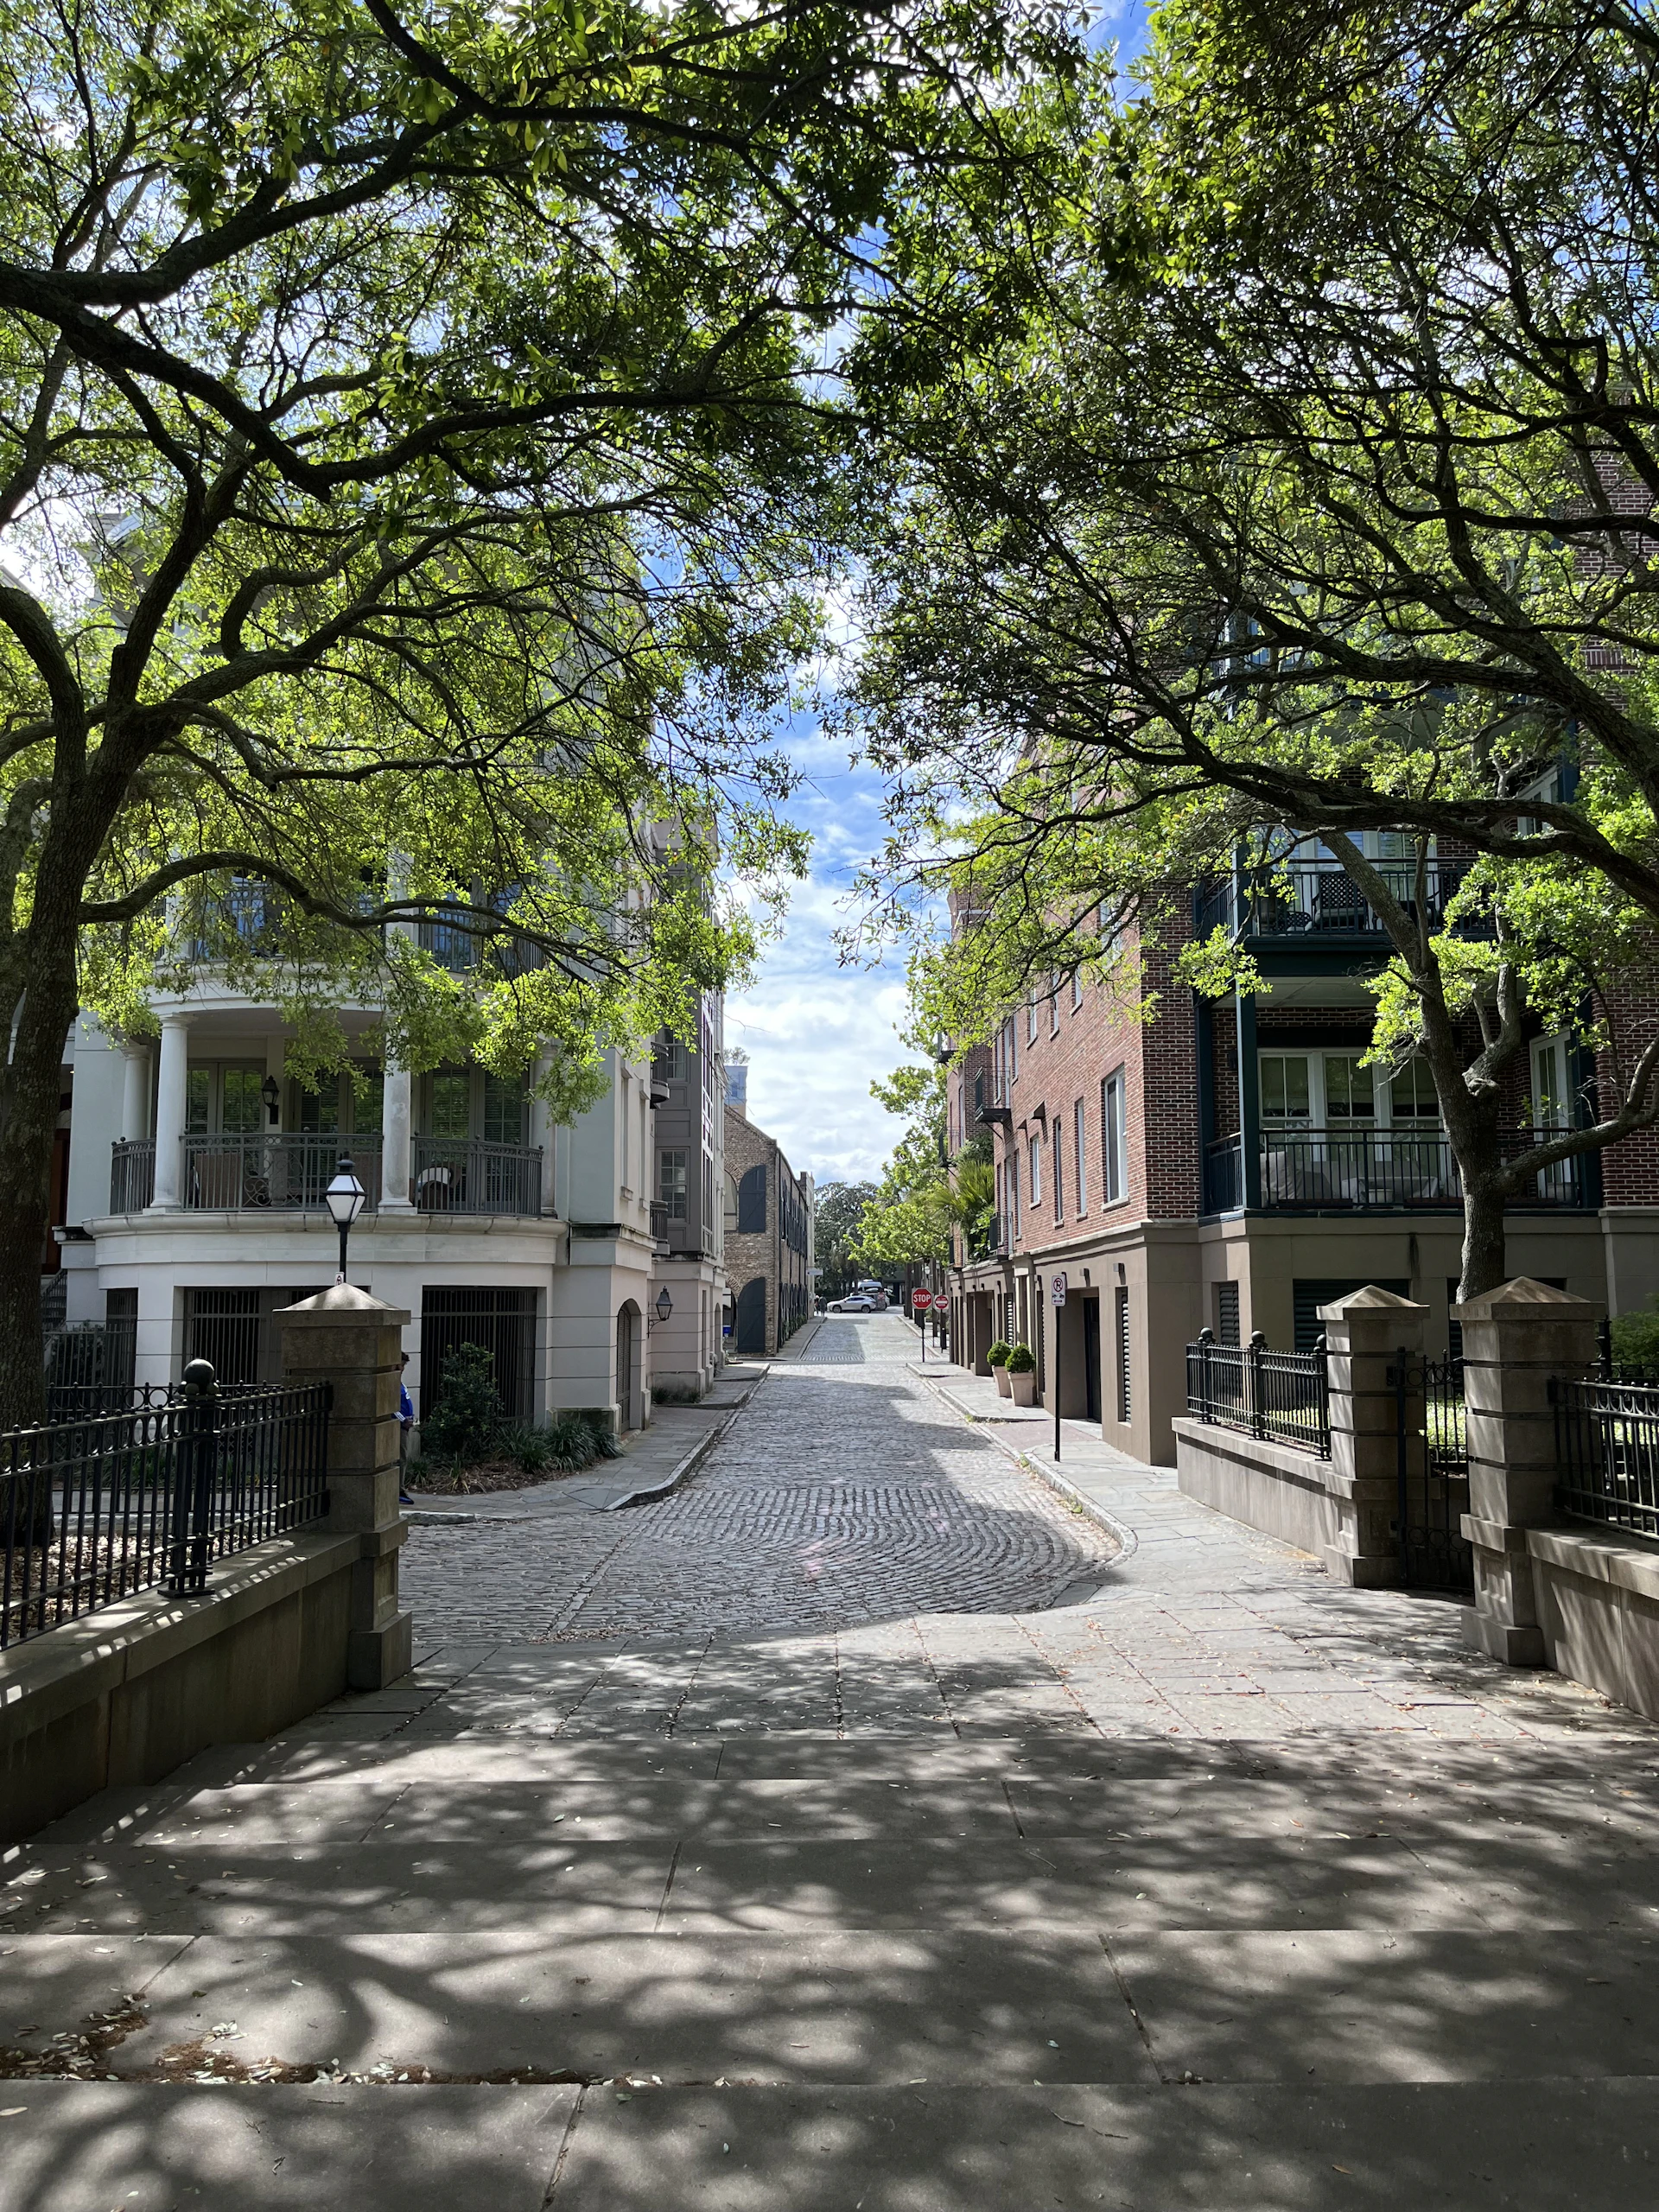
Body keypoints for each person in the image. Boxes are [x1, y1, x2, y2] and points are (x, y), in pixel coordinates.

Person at [398, 1351, 415, 1505]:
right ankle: (398, 1489)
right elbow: (390, 1408)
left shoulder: (400, 1382)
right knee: (400, 1457)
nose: (402, 1368)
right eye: (401, 1365)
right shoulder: (392, 1382)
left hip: (405, 1424)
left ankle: (400, 1487)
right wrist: (403, 1420)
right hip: (399, 1426)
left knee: (403, 1457)